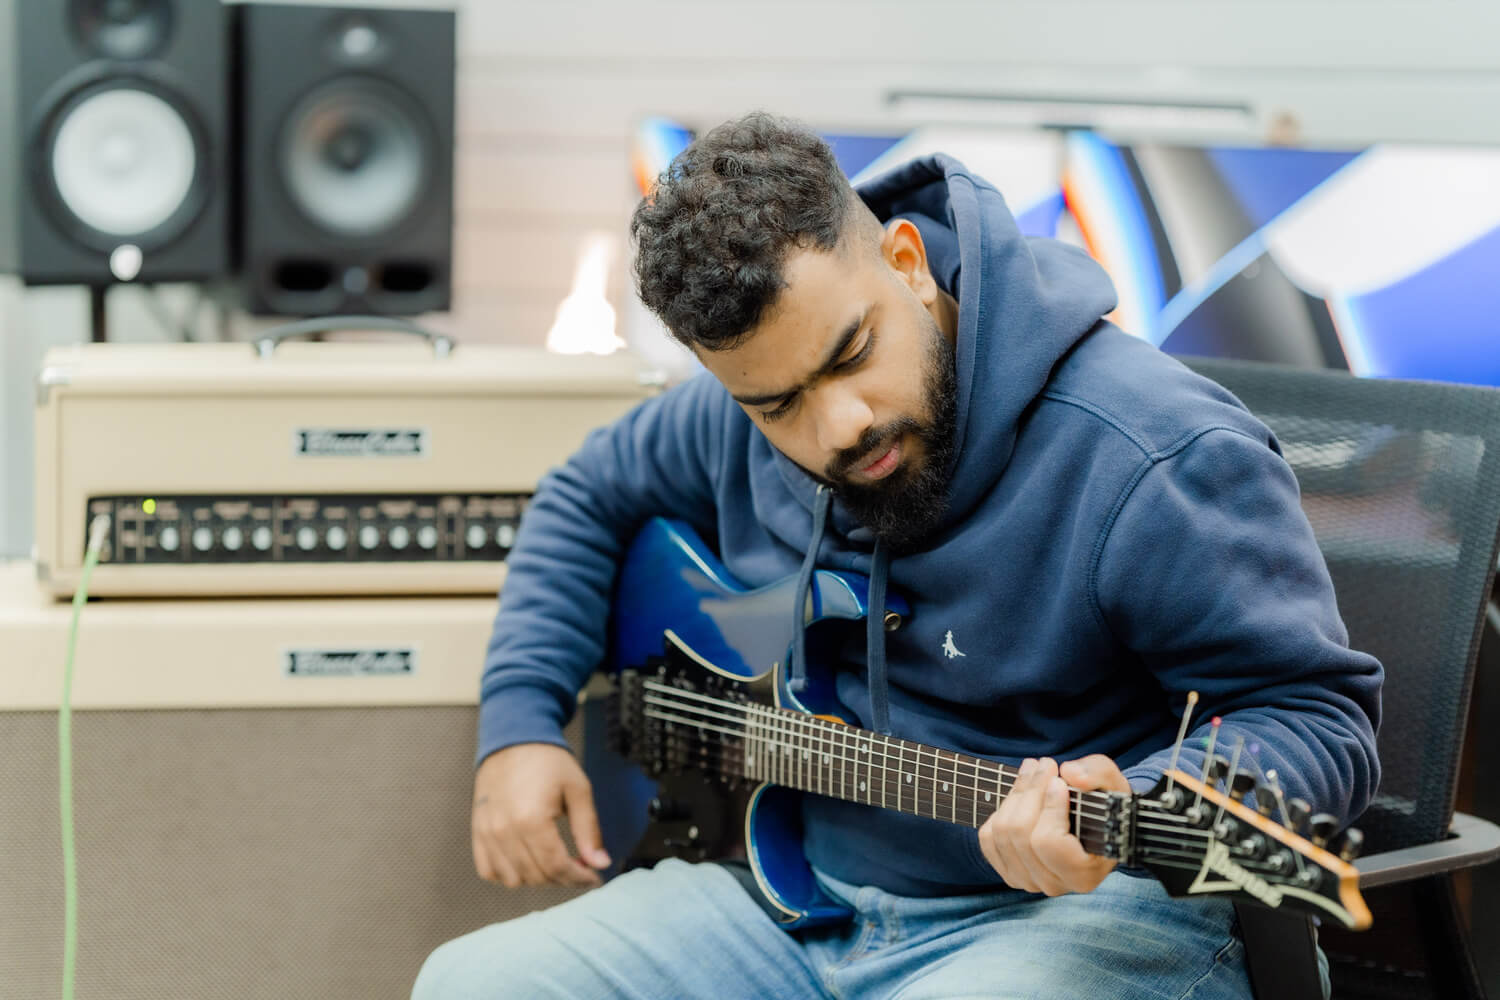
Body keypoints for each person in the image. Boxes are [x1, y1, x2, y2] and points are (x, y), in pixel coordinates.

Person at [413, 112, 1381, 999]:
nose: (838, 425)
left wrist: (1140, 800)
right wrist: (522, 721)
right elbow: (586, 491)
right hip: (798, 901)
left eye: (850, 353)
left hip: (1075, 919)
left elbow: (1313, 715)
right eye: (777, 403)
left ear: (909, 261)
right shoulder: (735, 414)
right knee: (469, 983)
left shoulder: (1150, 451)